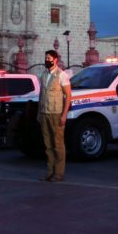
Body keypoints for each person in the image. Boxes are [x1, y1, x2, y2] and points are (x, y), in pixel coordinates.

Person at [37, 49, 71, 182]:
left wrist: (64, 115)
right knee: (48, 145)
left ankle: (59, 173)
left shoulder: (62, 75)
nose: (46, 60)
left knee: (58, 145)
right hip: (45, 113)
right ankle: (49, 172)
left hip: (56, 114)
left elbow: (68, 96)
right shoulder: (44, 74)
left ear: (55, 59)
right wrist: (39, 113)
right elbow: (41, 95)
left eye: (49, 58)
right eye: (46, 58)